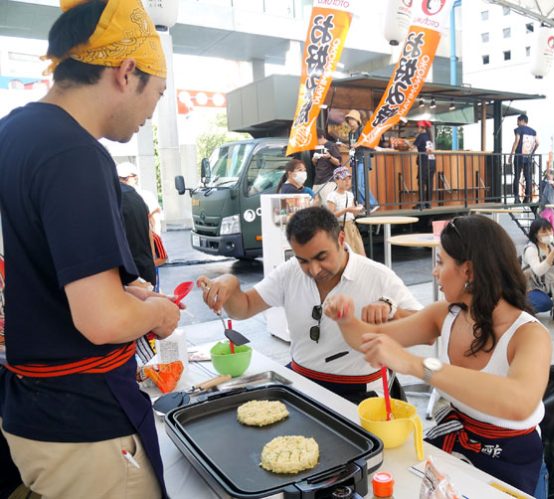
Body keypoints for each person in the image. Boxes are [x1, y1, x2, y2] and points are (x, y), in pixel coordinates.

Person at [0, 1, 181, 498]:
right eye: (157, 93)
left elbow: (40, 271)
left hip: (29, 409)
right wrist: (158, 312)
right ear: (126, 73)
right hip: (84, 421)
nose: (152, 113)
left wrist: (127, 295)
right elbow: (101, 320)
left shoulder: (13, 132)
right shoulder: (76, 152)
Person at [324, 215, 551, 497]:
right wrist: (345, 318)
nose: (434, 271)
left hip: (511, 465)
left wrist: (417, 365)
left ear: (468, 271)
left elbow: (519, 402)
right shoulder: (446, 313)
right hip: (458, 451)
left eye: (441, 262)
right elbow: (369, 340)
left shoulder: (529, 334)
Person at [197, 207, 421, 402]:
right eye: (303, 260)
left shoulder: (377, 276)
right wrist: (230, 285)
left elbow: (424, 328)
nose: (313, 270)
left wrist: (389, 308)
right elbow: (244, 307)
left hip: (361, 392)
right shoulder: (289, 272)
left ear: (341, 240)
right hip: (299, 381)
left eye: (322, 257)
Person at [523, 218, 554, 321]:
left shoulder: (553, 244)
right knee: (545, 303)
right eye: (543, 231)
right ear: (535, 234)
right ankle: (524, 310)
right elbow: (538, 271)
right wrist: (553, 254)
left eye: (550, 230)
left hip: (548, 284)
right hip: (532, 287)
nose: (548, 233)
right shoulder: (531, 249)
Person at [117, 161, 157, 287]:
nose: (136, 181)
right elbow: (149, 232)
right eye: (134, 177)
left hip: (129, 275)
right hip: (146, 268)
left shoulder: (113, 197)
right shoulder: (137, 197)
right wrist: (152, 261)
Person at [326, 166, 366, 256]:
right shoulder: (332, 196)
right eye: (344, 179)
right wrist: (347, 210)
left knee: (359, 254)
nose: (347, 181)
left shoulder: (350, 194)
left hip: (352, 227)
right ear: (336, 180)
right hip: (340, 228)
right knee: (346, 255)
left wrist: (358, 209)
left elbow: (353, 212)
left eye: (349, 179)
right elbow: (331, 216)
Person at [345, 109, 379, 212]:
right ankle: (362, 205)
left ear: (357, 120)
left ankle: (373, 203)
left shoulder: (363, 129)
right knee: (355, 185)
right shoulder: (350, 133)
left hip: (363, 159)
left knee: (360, 184)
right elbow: (352, 146)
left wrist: (358, 144)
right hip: (354, 159)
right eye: (349, 119)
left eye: (352, 119)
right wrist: (346, 146)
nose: (350, 121)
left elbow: (369, 140)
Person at [509, 114, 539, 203]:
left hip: (519, 156)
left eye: (518, 121)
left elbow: (516, 141)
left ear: (522, 121)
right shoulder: (533, 131)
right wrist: (532, 152)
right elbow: (538, 143)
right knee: (528, 177)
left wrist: (511, 155)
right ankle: (527, 197)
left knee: (517, 177)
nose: (517, 123)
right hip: (528, 157)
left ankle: (516, 198)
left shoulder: (519, 130)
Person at [311, 130, 342, 205]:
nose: (315, 142)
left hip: (328, 180)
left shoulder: (332, 146)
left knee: (328, 205)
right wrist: (314, 160)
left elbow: (338, 163)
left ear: (322, 137)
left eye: (316, 139)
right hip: (317, 180)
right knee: (313, 205)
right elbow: (315, 164)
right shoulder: (317, 147)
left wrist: (329, 157)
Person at [413, 120, 436, 209]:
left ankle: (421, 203)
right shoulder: (429, 137)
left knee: (421, 182)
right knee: (429, 183)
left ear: (422, 128)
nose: (417, 129)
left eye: (418, 127)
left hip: (424, 162)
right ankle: (428, 203)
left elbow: (413, 147)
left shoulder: (421, 136)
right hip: (432, 162)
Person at [538, 167, 554, 233]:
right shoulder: (546, 183)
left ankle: (549, 233)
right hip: (547, 205)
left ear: (553, 175)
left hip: (550, 205)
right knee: (551, 220)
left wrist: (552, 182)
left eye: (550, 175)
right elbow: (544, 195)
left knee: (545, 219)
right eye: (547, 176)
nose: (548, 177)